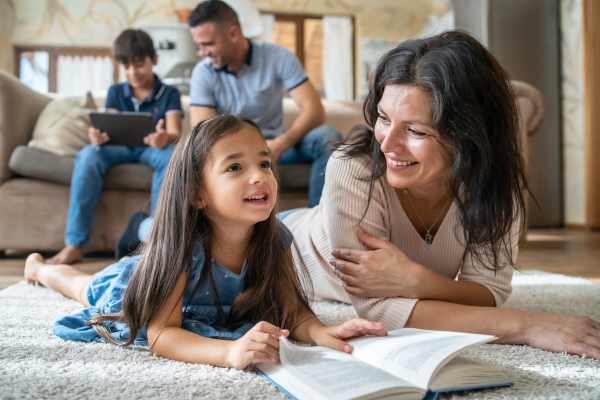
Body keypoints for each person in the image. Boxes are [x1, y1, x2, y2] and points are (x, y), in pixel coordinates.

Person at [281, 31, 600, 359]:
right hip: (281, 243)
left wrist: (416, 281)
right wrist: (527, 326)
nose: (387, 144)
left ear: (469, 135)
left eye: (416, 130)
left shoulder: (495, 180)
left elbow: (489, 292)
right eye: (384, 118)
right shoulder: (354, 167)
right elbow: (377, 308)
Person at [24, 115, 386, 368]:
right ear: (198, 194)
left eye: (264, 163)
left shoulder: (274, 239)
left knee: (85, 286)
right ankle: (40, 268)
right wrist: (229, 354)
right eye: (234, 168)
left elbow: (292, 310)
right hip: (139, 283)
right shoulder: (185, 250)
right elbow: (162, 334)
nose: (259, 177)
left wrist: (323, 332)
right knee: (85, 286)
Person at [48, 29, 183, 265]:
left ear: (155, 60)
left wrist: (165, 137)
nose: (133, 72)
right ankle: (75, 244)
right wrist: (97, 136)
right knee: (89, 154)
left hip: (152, 148)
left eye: (139, 64)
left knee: (171, 157)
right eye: (126, 66)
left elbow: (175, 132)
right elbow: (107, 125)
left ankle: (158, 240)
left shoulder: (169, 93)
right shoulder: (115, 92)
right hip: (119, 147)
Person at [188, 0, 339, 207]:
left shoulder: (278, 57)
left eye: (208, 44)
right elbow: (203, 132)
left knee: (328, 137)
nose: (202, 53)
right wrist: (247, 153)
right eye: (199, 46)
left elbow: (315, 111)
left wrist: (280, 144)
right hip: (234, 151)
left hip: (277, 145)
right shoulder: (202, 73)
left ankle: (318, 221)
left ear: (233, 34)